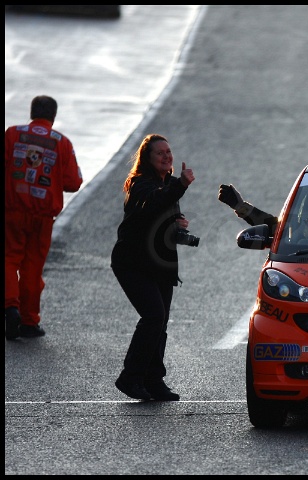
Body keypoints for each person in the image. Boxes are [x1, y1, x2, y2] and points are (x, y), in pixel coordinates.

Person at [111, 134, 195, 401]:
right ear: (147, 159)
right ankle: (130, 377)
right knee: (153, 316)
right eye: (160, 153)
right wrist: (181, 185)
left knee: (160, 323)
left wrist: (177, 224)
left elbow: (161, 218)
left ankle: (154, 379)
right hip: (133, 263)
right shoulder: (140, 184)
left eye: (168, 151)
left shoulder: (168, 184)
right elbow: (153, 203)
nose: (166, 156)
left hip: (159, 263)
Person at [5, 95, 83, 340]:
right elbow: (73, 182)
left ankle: (9, 307)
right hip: (42, 217)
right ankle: (29, 322)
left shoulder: (12, 134)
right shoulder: (62, 142)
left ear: (31, 112)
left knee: (8, 258)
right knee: (32, 267)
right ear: (53, 116)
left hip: (13, 211)